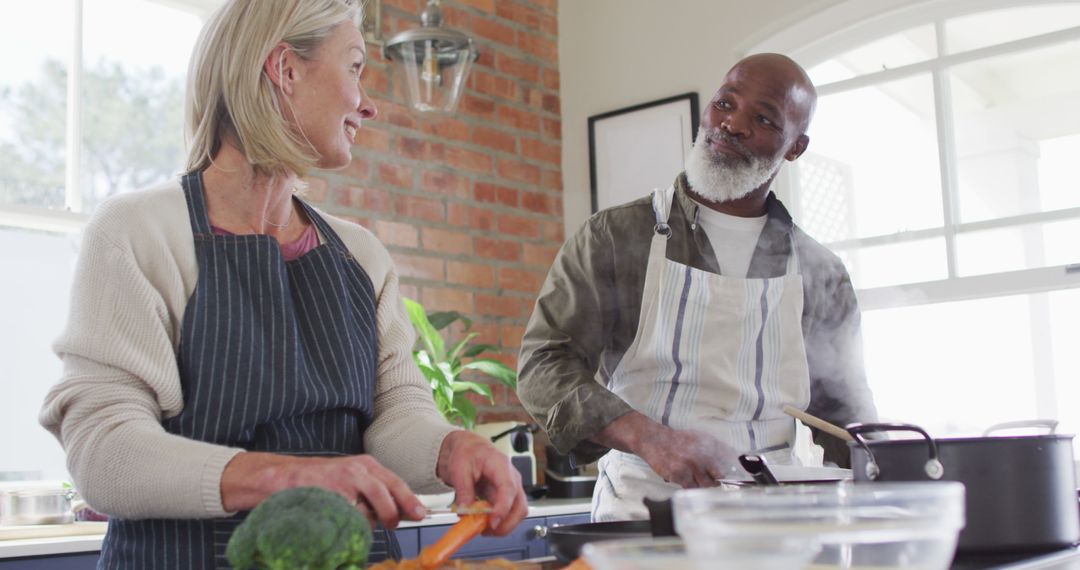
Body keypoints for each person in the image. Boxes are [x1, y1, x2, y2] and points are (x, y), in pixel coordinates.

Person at [38, 0, 527, 566]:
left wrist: (450, 447)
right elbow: (104, 452)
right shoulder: (138, 231)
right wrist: (286, 475)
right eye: (355, 68)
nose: (367, 105)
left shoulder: (359, 255)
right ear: (286, 69)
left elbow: (397, 414)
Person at [517, 53, 878, 521]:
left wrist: (891, 475)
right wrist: (650, 437)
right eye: (725, 103)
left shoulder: (821, 272)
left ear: (795, 148)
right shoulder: (615, 236)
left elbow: (845, 411)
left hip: (775, 522)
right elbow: (544, 365)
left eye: (763, 118)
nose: (732, 124)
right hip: (643, 514)